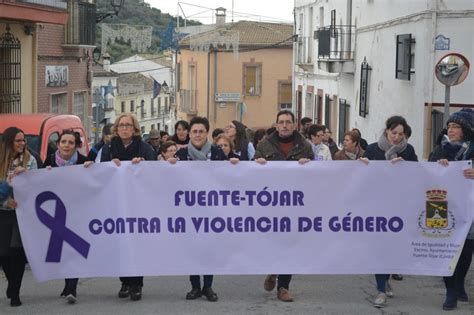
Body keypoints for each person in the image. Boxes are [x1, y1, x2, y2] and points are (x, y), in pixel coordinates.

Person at [255, 110, 314, 302]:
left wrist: (310, 165)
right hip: (270, 203)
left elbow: (317, 174)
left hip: (295, 204)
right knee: (272, 242)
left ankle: (283, 287)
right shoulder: (264, 145)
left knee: (290, 243)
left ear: (295, 125)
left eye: (288, 122)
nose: (285, 125)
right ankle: (273, 269)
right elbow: (250, 172)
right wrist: (257, 164)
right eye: (281, 122)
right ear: (276, 124)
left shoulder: (305, 146)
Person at [361, 115, 418, 308]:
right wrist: (363, 165)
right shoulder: (372, 148)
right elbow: (362, 176)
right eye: (394, 133)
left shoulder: (408, 151)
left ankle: (385, 279)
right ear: (387, 131)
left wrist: (404, 168)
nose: (396, 137)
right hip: (377, 206)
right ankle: (380, 290)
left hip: (398, 206)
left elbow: (417, 175)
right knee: (380, 248)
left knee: (392, 248)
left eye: (400, 134)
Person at [100, 113, 155, 301]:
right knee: (121, 244)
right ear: (116, 128)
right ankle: (124, 281)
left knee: (137, 245)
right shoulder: (108, 148)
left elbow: (154, 171)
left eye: (128, 125)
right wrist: (109, 166)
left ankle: (137, 284)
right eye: (121, 125)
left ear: (135, 128)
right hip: (117, 203)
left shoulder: (144, 147)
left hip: (138, 204)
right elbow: (100, 172)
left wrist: (142, 166)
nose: (124, 128)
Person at [175, 116, 228, 302]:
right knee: (192, 249)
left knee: (209, 249)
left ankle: (208, 286)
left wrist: (235, 165)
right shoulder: (180, 156)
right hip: (189, 211)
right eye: (194, 131)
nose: (198, 135)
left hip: (211, 210)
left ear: (207, 133)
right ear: (190, 134)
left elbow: (228, 177)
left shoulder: (217, 153)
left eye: (201, 131)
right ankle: (195, 286)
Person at [428, 108, 474, 311]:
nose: (452, 130)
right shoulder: (440, 149)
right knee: (446, 250)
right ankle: (451, 292)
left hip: (468, 207)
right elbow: (427, 174)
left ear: (466, 130)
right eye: (450, 126)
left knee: (465, 250)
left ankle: (459, 283)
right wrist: (439, 167)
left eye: (456, 126)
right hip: (442, 205)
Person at [43, 130, 93, 304]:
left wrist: (92, 168)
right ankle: (67, 285)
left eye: (71, 143)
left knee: (73, 249)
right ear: (58, 144)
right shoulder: (49, 161)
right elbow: (38, 185)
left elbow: (96, 181)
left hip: (78, 213)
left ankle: (72, 287)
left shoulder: (83, 161)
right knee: (62, 251)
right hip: (57, 213)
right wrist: (45, 173)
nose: (66, 145)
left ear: (76, 146)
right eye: (63, 142)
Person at [0, 127, 38, 307]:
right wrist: (7, 197)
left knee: (17, 252)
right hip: (3, 211)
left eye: (23, 140)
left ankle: (15, 292)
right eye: (18, 141)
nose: (22, 144)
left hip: (22, 213)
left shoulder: (30, 160)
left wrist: (27, 176)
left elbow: (36, 187)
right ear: (9, 143)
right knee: (3, 254)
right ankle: (12, 283)